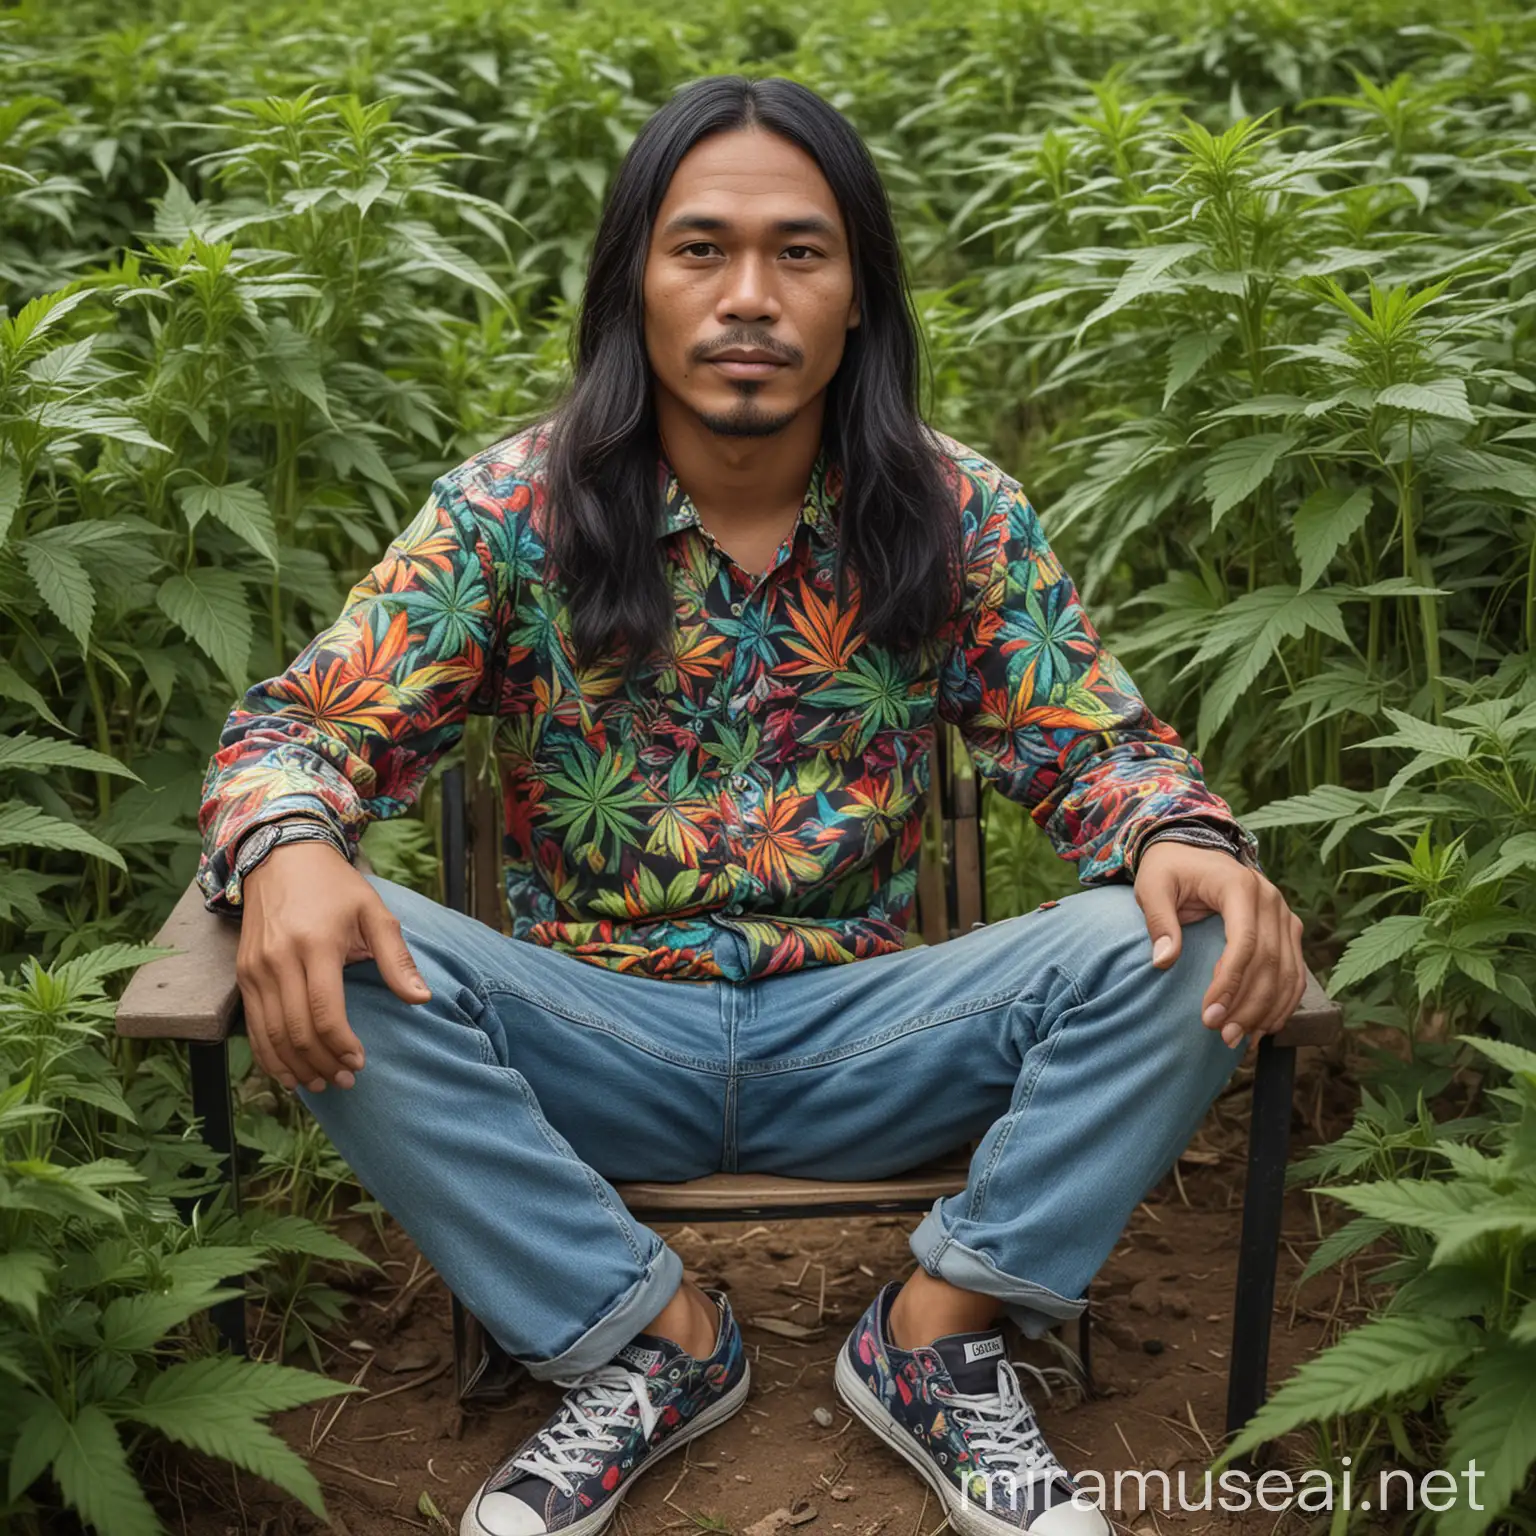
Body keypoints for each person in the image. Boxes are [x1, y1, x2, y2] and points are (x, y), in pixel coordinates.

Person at [198, 74, 1307, 1536]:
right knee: (327, 931)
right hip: (587, 1036)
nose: (749, 298)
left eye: (800, 252)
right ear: (634, 291)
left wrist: (1181, 833)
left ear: (859, 297)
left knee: (1207, 932)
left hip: (877, 1035)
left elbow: (1096, 747)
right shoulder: (510, 512)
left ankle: (936, 1335)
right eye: (699, 249)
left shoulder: (952, 508)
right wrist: (284, 842)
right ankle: (646, 1346)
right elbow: (295, 725)